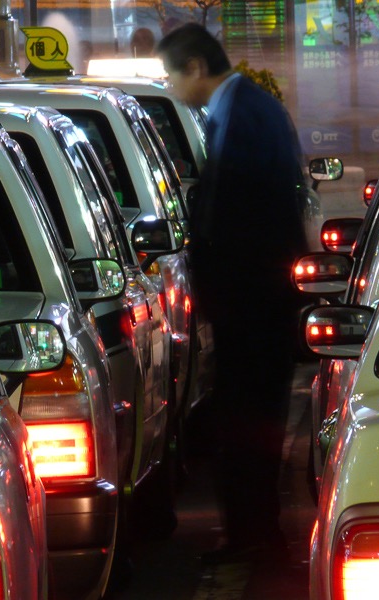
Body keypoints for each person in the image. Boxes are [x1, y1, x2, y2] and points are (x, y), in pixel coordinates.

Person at [157, 23, 307, 566]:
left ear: (195, 67)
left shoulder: (241, 115)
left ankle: (256, 539)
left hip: (252, 307)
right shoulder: (247, 108)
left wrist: (221, 294)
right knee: (246, 424)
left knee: (248, 426)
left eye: (173, 75)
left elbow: (243, 221)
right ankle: (253, 534)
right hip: (255, 304)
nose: (173, 87)